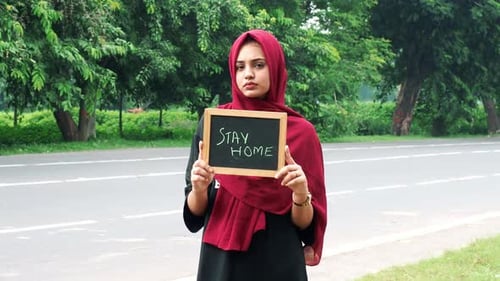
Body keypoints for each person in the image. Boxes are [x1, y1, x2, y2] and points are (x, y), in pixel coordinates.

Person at [183, 29, 327, 281]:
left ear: (276, 67)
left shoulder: (301, 134)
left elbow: (306, 227)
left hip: (277, 262)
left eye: (258, 65)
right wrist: (199, 188)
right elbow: (194, 215)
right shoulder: (215, 123)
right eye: (240, 67)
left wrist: (300, 193)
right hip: (221, 260)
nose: (248, 74)